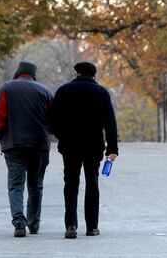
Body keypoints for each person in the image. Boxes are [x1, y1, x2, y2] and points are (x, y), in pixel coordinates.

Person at [49, 61, 118, 239]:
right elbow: (110, 122)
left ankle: (71, 225)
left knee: (71, 183)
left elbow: (52, 119)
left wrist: (61, 135)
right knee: (92, 183)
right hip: (93, 145)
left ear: (76, 73)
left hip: (70, 145)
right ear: (94, 75)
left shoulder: (64, 91)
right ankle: (92, 226)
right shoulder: (101, 93)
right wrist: (112, 148)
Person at [0, 61, 54, 237]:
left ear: (18, 73)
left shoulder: (7, 88)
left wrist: (3, 134)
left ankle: (19, 223)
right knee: (36, 185)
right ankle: (34, 224)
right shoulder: (45, 91)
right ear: (34, 75)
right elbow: (53, 120)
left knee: (16, 184)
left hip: (14, 145)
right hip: (39, 145)